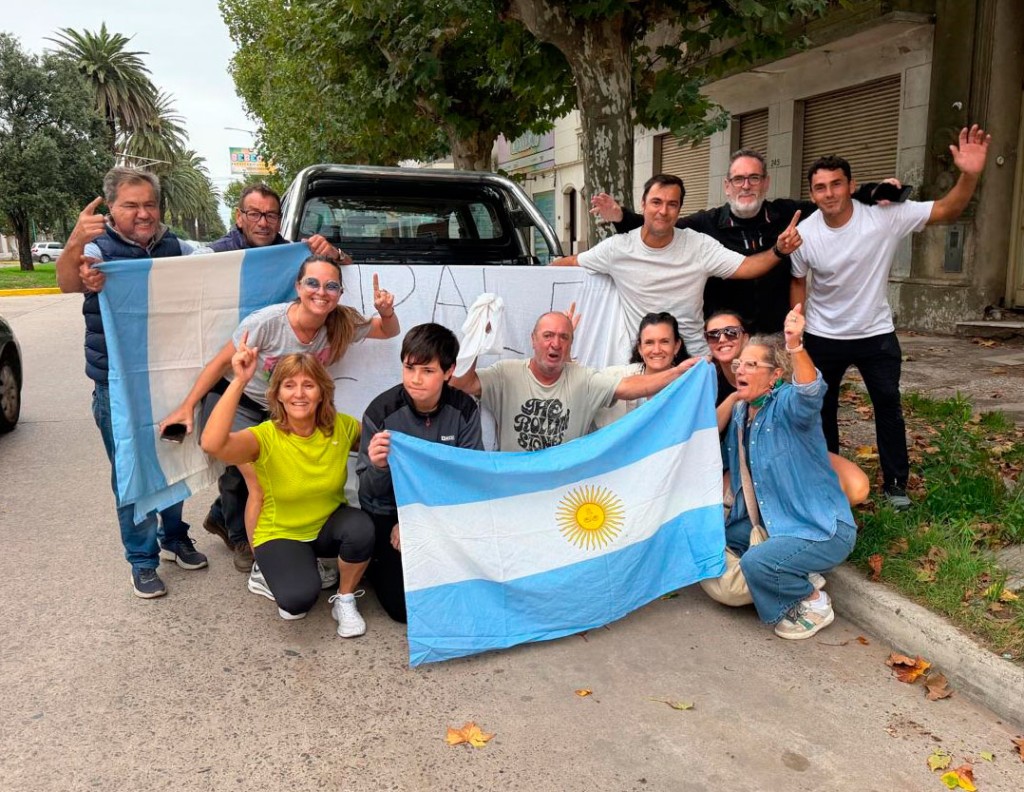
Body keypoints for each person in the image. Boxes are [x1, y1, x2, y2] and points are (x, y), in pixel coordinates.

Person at [790, 125, 991, 509]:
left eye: (836, 184)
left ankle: (896, 485)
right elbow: (798, 279)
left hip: (875, 333)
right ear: (812, 193)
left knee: (888, 405)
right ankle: (831, 479)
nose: (829, 193)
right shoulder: (805, 233)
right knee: (822, 409)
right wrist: (798, 325)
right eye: (820, 187)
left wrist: (970, 173)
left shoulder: (883, 216)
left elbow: (948, 208)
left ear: (851, 186)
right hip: (823, 334)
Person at [160, 256, 399, 572]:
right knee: (251, 481)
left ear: (340, 293)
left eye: (331, 286)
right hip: (244, 401)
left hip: (287, 411)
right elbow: (220, 364)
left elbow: (387, 331)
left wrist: (386, 311)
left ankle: (221, 515)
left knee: (279, 475)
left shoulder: (339, 324)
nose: (321, 292)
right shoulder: (266, 323)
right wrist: (188, 405)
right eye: (312, 283)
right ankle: (250, 547)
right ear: (298, 286)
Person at [55, 167, 208, 599]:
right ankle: (142, 560)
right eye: (131, 205)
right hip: (116, 388)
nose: (143, 213)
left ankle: (174, 537)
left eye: (149, 204)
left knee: (172, 460)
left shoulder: (174, 246)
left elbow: (224, 266)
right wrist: (75, 247)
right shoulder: (96, 248)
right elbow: (67, 282)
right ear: (111, 208)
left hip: (169, 382)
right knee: (131, 472)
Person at [590, 150, 894, 333]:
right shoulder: (703, 225)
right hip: (725, 338)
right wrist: (621, 217)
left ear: (765, 183)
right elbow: (658, 226)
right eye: (738, 179)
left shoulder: (789, 214)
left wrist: (874, 191)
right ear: (727, 186)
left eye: (753, 178)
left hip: (776, 335)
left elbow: (832, 199)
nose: (746, 186)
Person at [201, 346, 374, 635]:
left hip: (327, 526)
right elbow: (212, 444)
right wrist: (240, 381)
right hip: (280, 532)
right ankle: (268, 572)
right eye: (289, 385)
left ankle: (344, 599)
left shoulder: (341, 427)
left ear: (322, 392)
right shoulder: (264, 436)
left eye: (309, 385)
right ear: (278, 394)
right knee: (296, 603)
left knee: (362, 528)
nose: (299, 393)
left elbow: (383, 441)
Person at [720, 305, 856, 639]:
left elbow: (810, 392)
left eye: (753, 364)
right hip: (771, 522)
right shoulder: (740, 414)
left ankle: (811, 597)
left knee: (755, 564)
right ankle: (792, 571)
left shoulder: (788, 406)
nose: (742, 369)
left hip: (818, 527)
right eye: (740, 363)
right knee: (710, 537)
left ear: (775, 375)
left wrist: (795, 345)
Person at [553, 173, 802, 356]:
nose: (663, 211)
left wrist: (779, 250)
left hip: (693, 359)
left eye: (672, 204)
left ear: (679, 209)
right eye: (656, 202)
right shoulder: (618, 248)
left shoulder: (698, 245)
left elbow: (748, 267)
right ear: (643, 205)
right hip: (642, 361)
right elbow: (573, 262)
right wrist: (524, 277)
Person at [357, 323, 484, 623]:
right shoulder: (380, 411)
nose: (416, 379)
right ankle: (377, 563)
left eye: (427, 371)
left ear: (449, 371)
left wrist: (417, 524)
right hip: (390, 514)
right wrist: (377, 467)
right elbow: (367, 493)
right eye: (409, 368)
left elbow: (468, 478)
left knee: (466, 591)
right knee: (403, 610)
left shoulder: (464, 409)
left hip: (442, 512)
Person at [451, 311, 700, 451]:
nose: (555, 343)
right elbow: (461, 383)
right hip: (515, 484)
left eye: (563, 337)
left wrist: (677, 374)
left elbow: (629, 387)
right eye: (548, 336)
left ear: (570, 344)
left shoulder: (584, 378)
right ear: (533, 340)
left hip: (567, 485)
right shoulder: (505, 373)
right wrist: (476, 340)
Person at [707, 310, 869, 506]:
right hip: (737, 461)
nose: (722, 339)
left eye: (731, 332)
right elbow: (705, 432)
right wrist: (736, 397)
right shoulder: (707, 379)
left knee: (856, 486)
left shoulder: (779, 380)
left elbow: (807, 393)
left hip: (789, 452)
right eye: (713, 335)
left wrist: (795, 345)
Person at [209, 182, 350, 263]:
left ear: (279, 222)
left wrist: (336, 255)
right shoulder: (212, 255)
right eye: (254, 214)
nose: (263, 223)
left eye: (271, 216)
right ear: (239, 217)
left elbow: (351, 271)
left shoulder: (294, 253)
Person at [594, 311, 687, 428]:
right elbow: (582, 386)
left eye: (664, 342)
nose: (657, 350)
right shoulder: (617, 376)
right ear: (640, 348)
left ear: (676, 346)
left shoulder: (689, 383)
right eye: (649, 343)